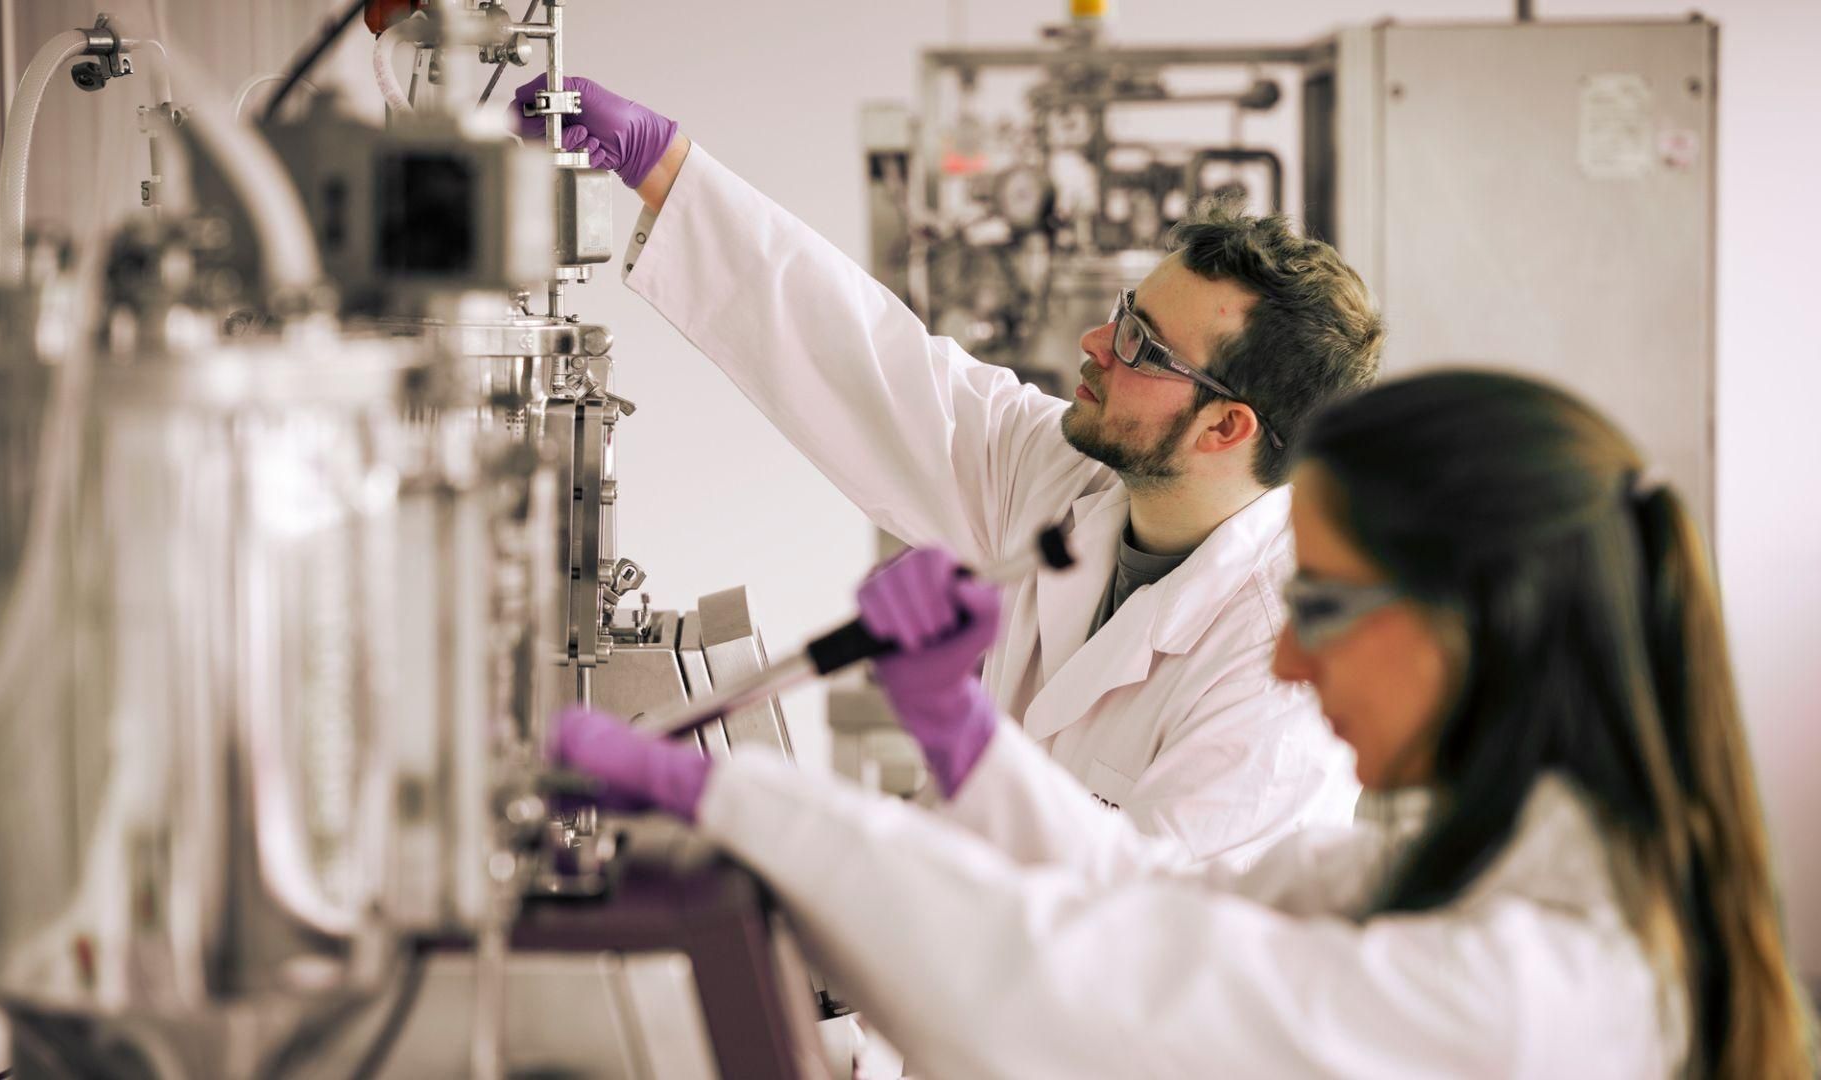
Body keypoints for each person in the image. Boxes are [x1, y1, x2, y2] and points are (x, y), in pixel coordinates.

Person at [552, 370, 1816, 1078]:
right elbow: (1162, 904)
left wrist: (749, 803)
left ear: (1472, 618)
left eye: (1319, 605)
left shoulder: (1539, 990)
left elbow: (1094, 1012)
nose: (1283, 654)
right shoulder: (1482, 861)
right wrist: (962, 738)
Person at [512, 76, 1384, 862]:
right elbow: (869, 364)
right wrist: (666, 168)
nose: (1094, 344)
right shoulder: (1070, 481)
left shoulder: (1285, 675)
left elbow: (1135, 950)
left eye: (1140, 345)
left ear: (1226, 426)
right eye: (1125, 313)